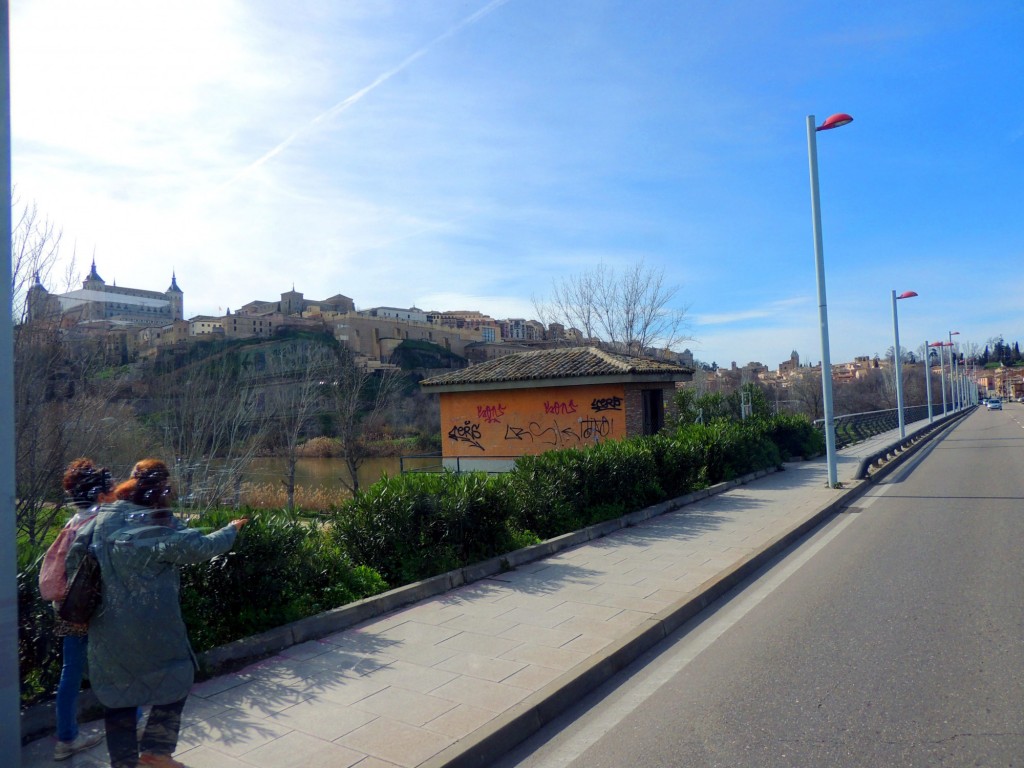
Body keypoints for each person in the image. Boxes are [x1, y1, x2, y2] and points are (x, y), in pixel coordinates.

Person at [67, 459, 248, 768]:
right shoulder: (157, 523)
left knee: (118, 697)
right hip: (155, 627)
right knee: (177, 675)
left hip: (107, 629)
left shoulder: (104, 518)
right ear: (163, 488)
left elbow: (74, 561)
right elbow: (197, 547)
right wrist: (230, 531)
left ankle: (125, 763)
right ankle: (156, 752)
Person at [46, 458, 113, 761]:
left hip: (68, 607)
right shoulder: (100, 523)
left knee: (70, 673)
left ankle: (66, 739)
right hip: (95, 609)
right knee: (118, 664)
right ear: (99, 494)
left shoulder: (72, 523)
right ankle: (135, 722)